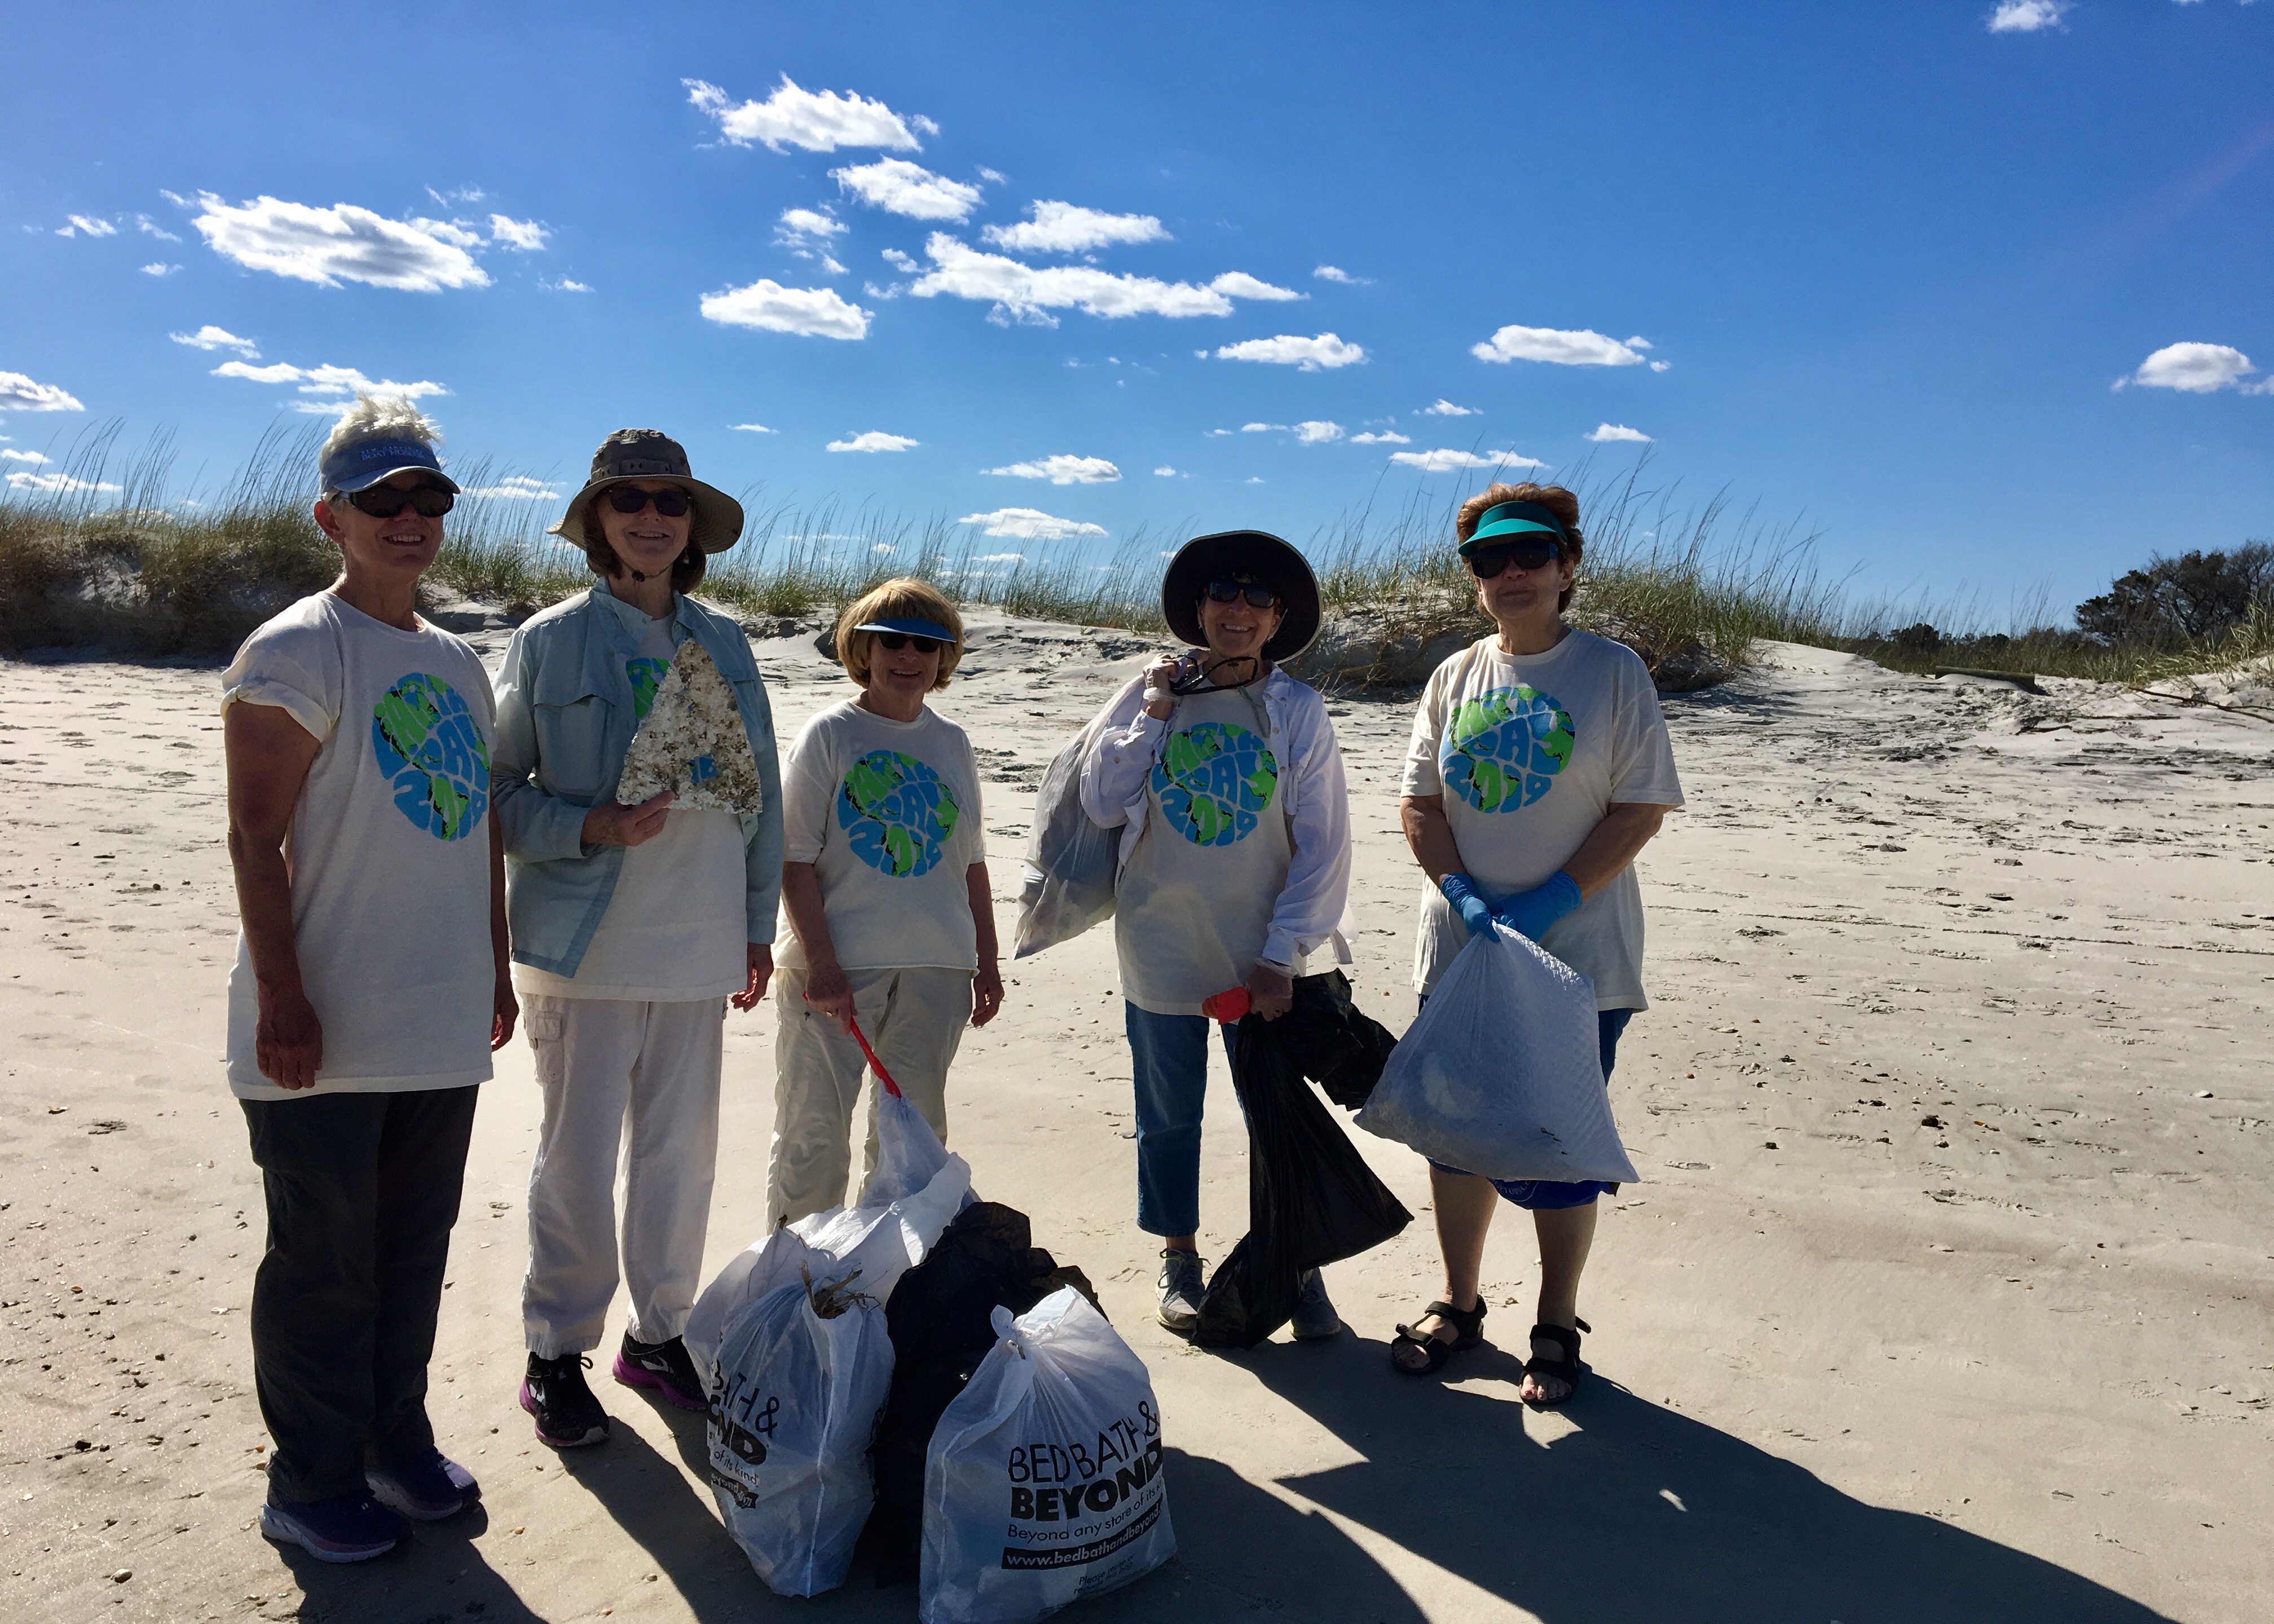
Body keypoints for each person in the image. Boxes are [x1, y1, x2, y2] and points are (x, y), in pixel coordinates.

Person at [222, 396, 515, 1563]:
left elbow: (477, 830)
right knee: (324, 1265)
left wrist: (492, 970)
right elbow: (256, 836)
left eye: (428, 497)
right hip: (323, 1028)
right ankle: (311, 1479)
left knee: (412, 1254)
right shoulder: (297, 648)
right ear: (331, 517)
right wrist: (285, 1001)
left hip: (434, 1019)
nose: (409, 517)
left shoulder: (459, 665)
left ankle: (395, 1441)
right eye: (382, 499)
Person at [491, 430, 784, 1448]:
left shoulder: (729, 644)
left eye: (669, 502)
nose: (652, 517)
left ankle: (659, 1337)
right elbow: (492, 795)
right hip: (586, 947)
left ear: (691, 525)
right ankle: (555, 1348)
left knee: (681, 1156)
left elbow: (764, 800)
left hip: (700, 946)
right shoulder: (548, 641)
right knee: (575, 1158)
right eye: (630, 501)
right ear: (598, 523)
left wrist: (757, 927)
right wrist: (588, 826)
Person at [1390, 483, 1684, 1402]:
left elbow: (1640, 807)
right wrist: (1463, 896)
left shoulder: (1610, 672)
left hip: (1576, 961)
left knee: (1556, 1141)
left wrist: (1555, 895)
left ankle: (1555, 1320)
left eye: (1531, 555)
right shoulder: (1454, 675)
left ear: (1566, 567)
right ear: (1475, 577)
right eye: (1489, 559)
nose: (1511, 572)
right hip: (1463, 951)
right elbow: (1417, 804)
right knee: (1455, 1136)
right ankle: (1458, 1300)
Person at [1079, 531, 1355, 1337]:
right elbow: (1102, 800)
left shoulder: (1296, 709)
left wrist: (1282, 957)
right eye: (1223, 594)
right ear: (1199, 608)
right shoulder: (1149, 693)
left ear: (1277, 619)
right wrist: (1156, 707)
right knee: (1169, 1111)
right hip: (1160, 940)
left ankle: (1296, 1266)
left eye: (1256, 599)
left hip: (1261, 950)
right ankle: (1179, 1259)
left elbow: (1324, 844)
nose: (1238, 609)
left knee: (1275, 1111)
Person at [765, 579, 1002, 1225]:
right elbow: (793, 859)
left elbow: (973, 863)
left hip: (936, 969)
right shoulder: (830, 734)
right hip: (837, 972)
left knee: (913, 1144)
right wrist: (822, 964)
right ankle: (794, 1286)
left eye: (928, 644)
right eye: (892, 640)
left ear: (944, 659)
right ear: (862, 649)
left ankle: (886, 1291)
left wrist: (987, 962)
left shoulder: (950, 741)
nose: (910, 656)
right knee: (812, 1137)